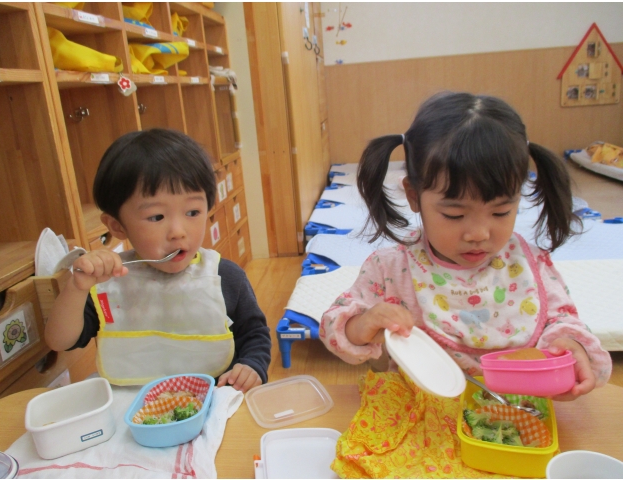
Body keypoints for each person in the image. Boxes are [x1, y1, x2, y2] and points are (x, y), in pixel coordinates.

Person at [320, 91, 612, 400]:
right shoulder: (390, 269)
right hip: (422, 412)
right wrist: (363, 324)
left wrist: (569, 348)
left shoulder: (530, 264)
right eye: (455, 215)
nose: (479, 234)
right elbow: (333, 329)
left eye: (501, 212)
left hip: (515, 411)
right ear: (414, 196)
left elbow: (562, 322)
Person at [46, 129, 271, 392]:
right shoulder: (110, 284)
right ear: (117, 226)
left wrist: (251, 366)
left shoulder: (224, 277)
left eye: (192, 212)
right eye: (157, 217)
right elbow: (60, 341)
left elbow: (254, 334)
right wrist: (77, 288)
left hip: (214, 399)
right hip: (131, 406)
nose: (178, 231)